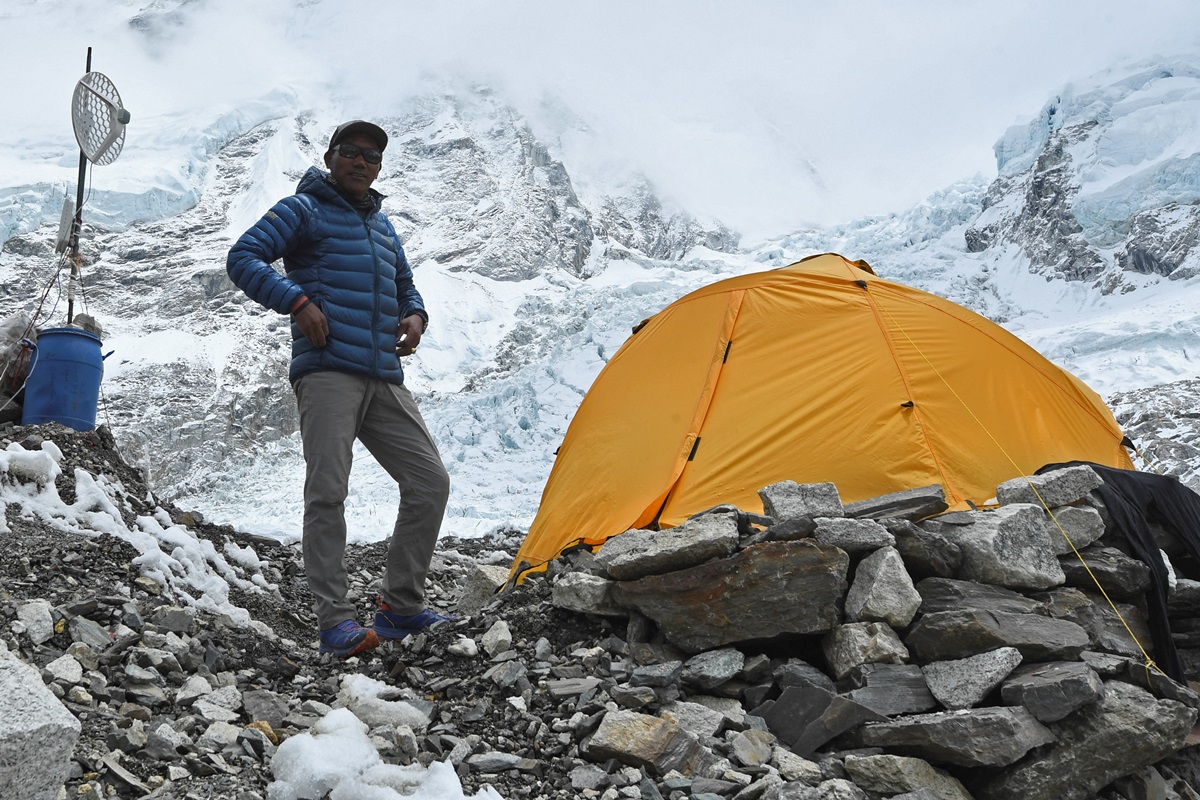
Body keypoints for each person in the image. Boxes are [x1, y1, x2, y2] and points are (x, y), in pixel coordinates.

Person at [227, 120, 451, 657]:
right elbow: (243, 257)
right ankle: (336, 623)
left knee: (429, 482)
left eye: (372, 157)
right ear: (330, 158)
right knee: (328, 493)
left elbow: (405, 286)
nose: (362, 161)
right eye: (351, 152)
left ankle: (401, 607)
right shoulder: (302, 209)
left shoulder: (382, 227)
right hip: (327, 371)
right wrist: (297, 303)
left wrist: (415, 315)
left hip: (383, 375)